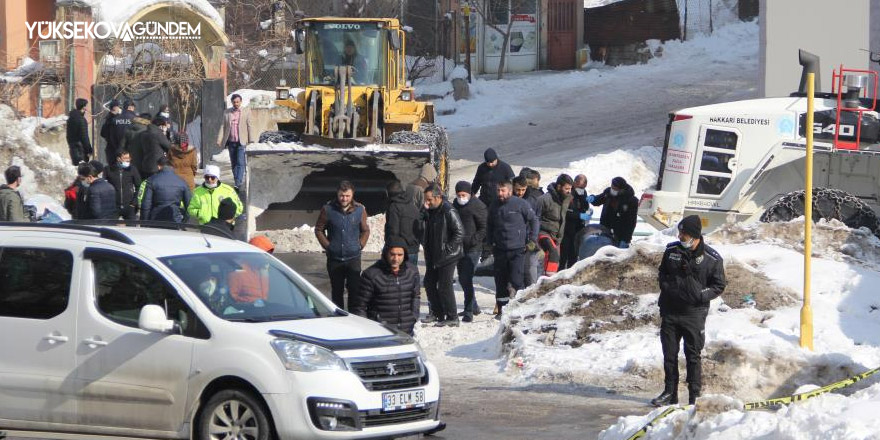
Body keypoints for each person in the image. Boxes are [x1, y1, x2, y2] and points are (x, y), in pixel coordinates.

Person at [652, 215, 726, 407]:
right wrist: (667, 286)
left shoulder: (712, 258)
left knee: (693, 356)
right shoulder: (671, 251)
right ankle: (670, 393)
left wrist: (700, 296)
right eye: (680, 233)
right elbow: (662, 272)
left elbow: (718, 285)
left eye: (683, 234)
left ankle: (694, 396)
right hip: (670, 310)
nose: (680, 236)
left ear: (694, 236)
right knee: (669, 354)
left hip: (693, 314)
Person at [314, 181, 369, 309]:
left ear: (352, 195)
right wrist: (328, 246)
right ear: (337, 194)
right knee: (337, 291)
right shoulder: (328, 209)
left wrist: (360, 245)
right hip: (335, 259)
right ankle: (338, 317)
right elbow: (318, 229)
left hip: (353, 258)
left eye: (347, 196)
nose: (344, 199)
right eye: (341, 196)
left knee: (354, 291)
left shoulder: (360, 210)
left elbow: (365, 230)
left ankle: (353, 317)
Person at [487, 180, 538, 316]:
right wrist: (489, 243)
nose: (500, 193)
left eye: (503, 191)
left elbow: (534, 220)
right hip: (500, 249)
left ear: (510, 191)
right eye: (498, 190)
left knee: (517, 280)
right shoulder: (494, 205)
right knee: (500, 281)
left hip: (518, 249)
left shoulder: (520, 204)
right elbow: (489, 225)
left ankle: (518, 308)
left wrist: (532, 240)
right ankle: (502, 311)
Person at [353, 237, 421, 335]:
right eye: (392, 254)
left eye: (400, 255)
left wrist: (413, 316)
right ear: (385, 253)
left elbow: (416, 296)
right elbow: (359, 307)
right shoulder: (371, 275)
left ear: (405, 255)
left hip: (406, 331)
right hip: (381, 333)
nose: (396, 259)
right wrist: (369, 327)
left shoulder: (412, 272)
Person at [422, 183, 464, 327]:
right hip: (434, 254)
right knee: (429, 282)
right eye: (426, 200)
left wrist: (448, 249)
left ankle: (452, 316)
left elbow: (459, 232)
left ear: (438, 197)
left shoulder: (448, 210)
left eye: (429, 200)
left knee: (445, 286)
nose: (427, 203)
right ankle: (438, 313)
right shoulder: (432, 210)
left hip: (447, 256)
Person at [452, 181, 487, 322]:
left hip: (473, 248)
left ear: (470, 194)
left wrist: (473, 240)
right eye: (459, 195)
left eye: (463, 195)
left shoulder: (478, 206)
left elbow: (484, 227)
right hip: (459, 247)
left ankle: (468, 311)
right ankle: (474, 306)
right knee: (462, 278)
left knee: (466, 278)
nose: (461, 197)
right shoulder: (455, 205)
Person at [535, 174, 573, 276]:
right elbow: (535, 218)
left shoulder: (568, 198)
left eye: (570, 188)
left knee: (555, 259)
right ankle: (548, 280)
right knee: (553, 252)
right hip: (543, 232)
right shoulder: (544, 199)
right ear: (559, 187)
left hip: (557, 235)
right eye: (567, 188)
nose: (569, 191)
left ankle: (547, 277)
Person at [589, 176, 639, 248]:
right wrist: (593, 198)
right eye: (612, 187)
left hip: (620, 234)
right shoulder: (608, 193)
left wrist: (626, 239)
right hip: (605, 229)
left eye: (615, 189)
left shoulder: (631, 201)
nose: (612, 190)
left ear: (621, 189)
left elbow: (631, 222)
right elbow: (598, 200)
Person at [218, 94, 255, 189]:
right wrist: (219, 139)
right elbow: (223, 126)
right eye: (234, 102)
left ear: (241, 102)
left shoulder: (246, 112)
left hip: (241, 141)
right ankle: (236, 181)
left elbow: (250, 126)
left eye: (238, 102)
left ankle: (238, 183)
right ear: (232, 102)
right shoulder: (227, 112)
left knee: (240, 162)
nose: (236, 104)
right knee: (233, 162)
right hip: (231, 141)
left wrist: (251, 140)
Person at [140, 156, 192, 223]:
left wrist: (144, 222)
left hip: (155, 219)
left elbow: (146, 204)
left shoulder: (152, 180)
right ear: (172, 167)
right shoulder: (182, 182)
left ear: (159, 166)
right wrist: (184, 221)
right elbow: (189, 205)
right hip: (175, 219)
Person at [384, 180, 422, 267]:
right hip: (414, 249)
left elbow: (393, 230)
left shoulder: (394, 207)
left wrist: (389, 247)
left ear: (388, 193)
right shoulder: (412, 205)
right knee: (410, 277)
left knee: (397, 278)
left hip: (399, 252)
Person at [513, 176, 541, 286]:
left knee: (529, 269)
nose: (520, 193)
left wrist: (533, 238)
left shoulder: (532, 200)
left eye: (523, 190)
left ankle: (530, 292)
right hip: (512, 240)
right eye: (518, 190)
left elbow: (537, 220)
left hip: (528, 238)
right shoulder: (508, 199)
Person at [561, 174, 591, 269]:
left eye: (583, 187)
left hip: (578, 229)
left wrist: (587, 211)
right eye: (580, 187)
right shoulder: (568, 192)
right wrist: (579, 215)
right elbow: (564, 211)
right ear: (574, 183)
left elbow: (584, 206)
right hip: (566, 229)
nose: (581, 189)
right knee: (563, 256)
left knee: (573, 256)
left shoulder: (583, 193)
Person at [103, 150, 141, 220]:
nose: (128, 160)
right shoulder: (108, 169)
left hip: (129, 206)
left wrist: (134, 202)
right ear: (118, 159)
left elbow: (139, 186)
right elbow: (104, 186)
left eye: (128, 158)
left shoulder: (132, 169)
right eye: (125, 158)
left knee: (132, 229)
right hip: (114, 206)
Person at [66, 98, 93, 165]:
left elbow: (68, 136)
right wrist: (89, 150)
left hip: (73, 150)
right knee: (83, 171)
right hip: (81, 151)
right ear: (83, 107)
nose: (87, 108)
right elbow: (84, 137)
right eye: (86, 106)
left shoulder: (70, 118)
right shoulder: (81, 120)